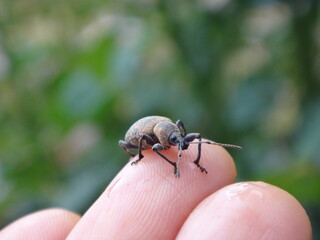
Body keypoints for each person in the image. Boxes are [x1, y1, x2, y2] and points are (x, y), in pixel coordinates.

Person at [0, 144, 312, 239]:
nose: (180, 144)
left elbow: (181, 141)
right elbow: (142, 144)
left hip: (159, 130)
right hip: (140, 138)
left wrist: (191, 161)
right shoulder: (157, 144)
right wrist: (150, 158)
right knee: (149, 157)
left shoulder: (173, 137)